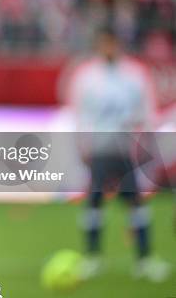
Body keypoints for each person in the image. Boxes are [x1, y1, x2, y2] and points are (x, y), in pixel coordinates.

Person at [68, 27, 171, 282]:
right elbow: (80, 113)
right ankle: (93, 257)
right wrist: (81, 143)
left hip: (127, 148)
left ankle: (144, 259)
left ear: (119, 44)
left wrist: (144, 137)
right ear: (99, 45)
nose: (109, 48)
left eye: (112, 43)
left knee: (136, 202)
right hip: (99, 148)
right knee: (94, 202)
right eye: (104, 43)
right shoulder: (87, 76)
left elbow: (147, 110)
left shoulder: (134, 74)